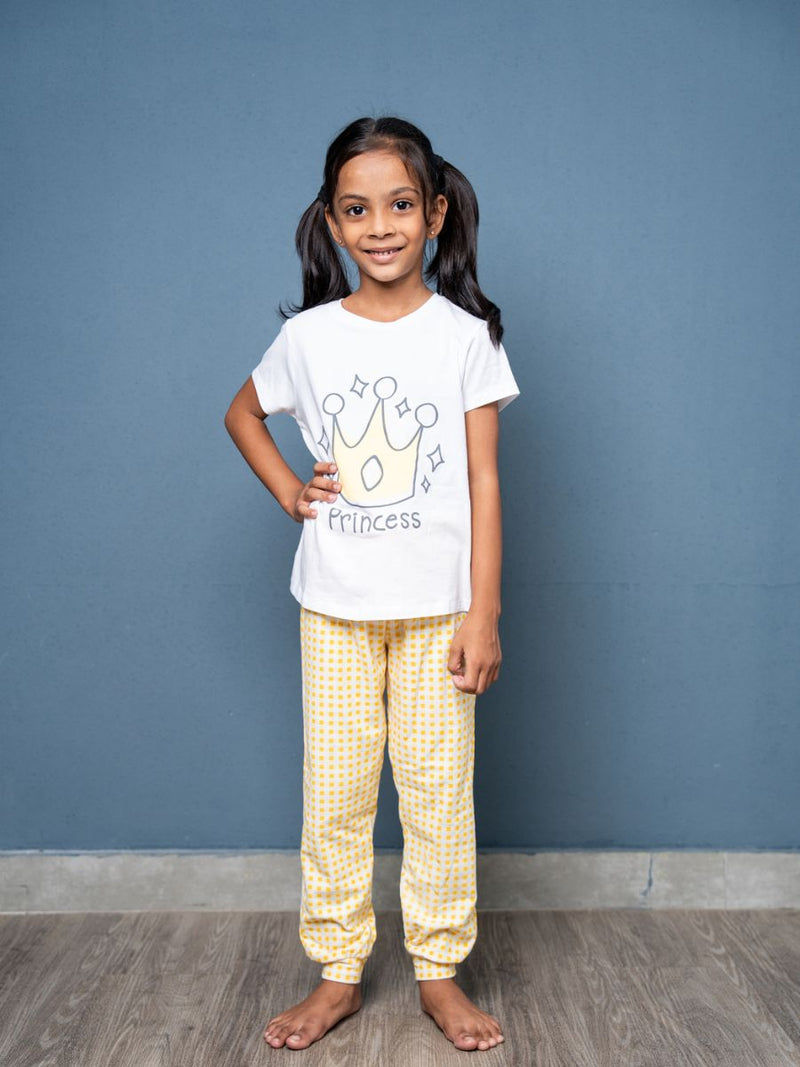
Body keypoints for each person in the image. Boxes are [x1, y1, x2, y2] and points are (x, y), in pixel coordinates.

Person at [224, 115, 520, 1053]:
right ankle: (339, 971)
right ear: (332, 221)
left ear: (434, 213)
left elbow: (482, 479)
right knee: (338, 794)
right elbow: (242, 412)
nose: (380, 225)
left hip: (439, 613)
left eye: (400, 204)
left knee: (438, 791)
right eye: (357, 209)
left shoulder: (463, 337)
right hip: (337, 611)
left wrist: (486, 611)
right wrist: (287, 490)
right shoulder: (310, 338)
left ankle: (439, 971)